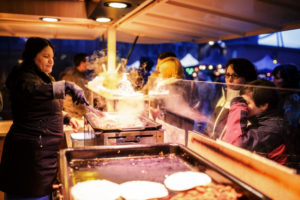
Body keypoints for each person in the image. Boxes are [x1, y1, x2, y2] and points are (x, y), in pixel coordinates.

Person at [0, 37, 89, 200]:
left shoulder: (45, 78)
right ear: (32, 56)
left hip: (43, 156)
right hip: (28, 158)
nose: (51, 61)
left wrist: (67, 118)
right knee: (28, 195)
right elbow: (34, 91)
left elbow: (45, 108)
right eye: (46, 56)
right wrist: (67, 86)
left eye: (52, 57)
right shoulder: (21, 76)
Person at [222, 79, 289, 165]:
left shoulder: (273, 129)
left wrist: (237, 106)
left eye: (246, 103)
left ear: (264, 105)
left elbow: (234, 145)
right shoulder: (262, 122)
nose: (244, 106)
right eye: (243, 102)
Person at [204, 58, 257, 139]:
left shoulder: (250, 103)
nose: (230, 79)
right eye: (227, 75)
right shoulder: (223, 98)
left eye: (235, 76)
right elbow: (210, 126)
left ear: (247, 78)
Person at [272, 64, 300, 169]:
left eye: (277, 78)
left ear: (288, 80)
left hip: (290, 150)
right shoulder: (281, 96)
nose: (273, 80)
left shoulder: (293, 99)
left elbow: (290, 127)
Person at [60, 53, 91, 119]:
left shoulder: (83, 76)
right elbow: (66, 100)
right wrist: (72, 116)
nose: (89, 64)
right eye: (87, 61)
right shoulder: (69, 77)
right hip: (74, 115)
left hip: (82, 114)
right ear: (82, 63)